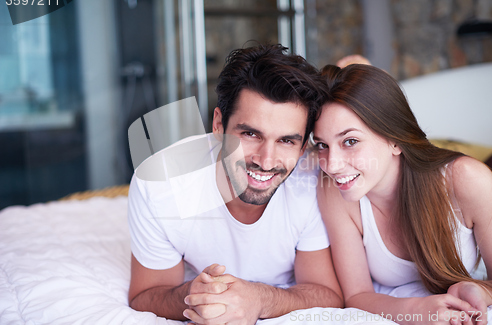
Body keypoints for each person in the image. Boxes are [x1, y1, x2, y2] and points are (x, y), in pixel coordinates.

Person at [127, 44, 343, 324]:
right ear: (218, 125)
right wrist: (194, 295)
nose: (266, 161)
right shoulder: (159, 182)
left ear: (303, 148)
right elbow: (146, 294)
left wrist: (259, 299)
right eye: (251, 134)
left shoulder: (314, 181)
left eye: (286, 141)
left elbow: (326, 293)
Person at [314, 64, 492, 324]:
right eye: (322, 145)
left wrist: (478, 290)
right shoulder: (333, 191)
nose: (331, 164)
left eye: (350, 141)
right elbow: (356, 296)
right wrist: (417, 310)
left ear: (395, 139)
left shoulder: (466, 180)